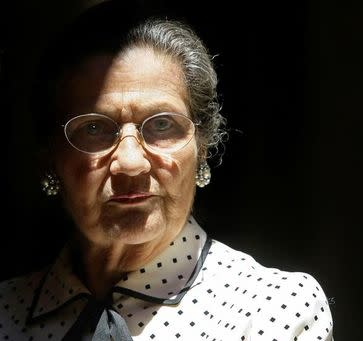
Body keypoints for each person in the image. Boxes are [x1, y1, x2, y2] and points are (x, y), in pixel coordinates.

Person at [0, 1, 334, 340]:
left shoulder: (269, 310)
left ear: (202, 147)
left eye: (162, 124)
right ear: (50, 157)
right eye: (94, 129)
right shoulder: (6, 314)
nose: (130, 163)